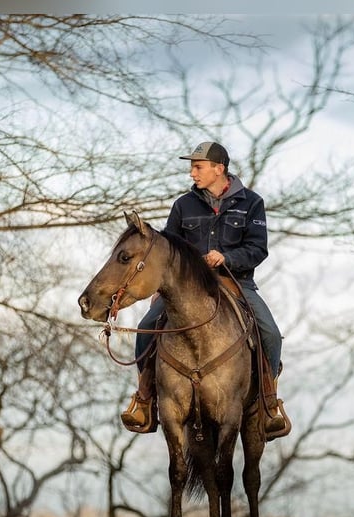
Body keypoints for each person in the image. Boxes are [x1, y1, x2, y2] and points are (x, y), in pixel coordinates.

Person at [121, 141, 287, 435]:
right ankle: (145, 399)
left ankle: (268, 401)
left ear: (218, 169)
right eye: (192, 167)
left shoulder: (252, 203)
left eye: (197, 167)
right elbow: (166, 249)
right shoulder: (183, 205)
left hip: (235, 283)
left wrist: (228, 258)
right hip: (186, 288)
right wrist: (161, 287)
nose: (192, 173)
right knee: (147, 327)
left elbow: (258, 249)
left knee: (271, 333)